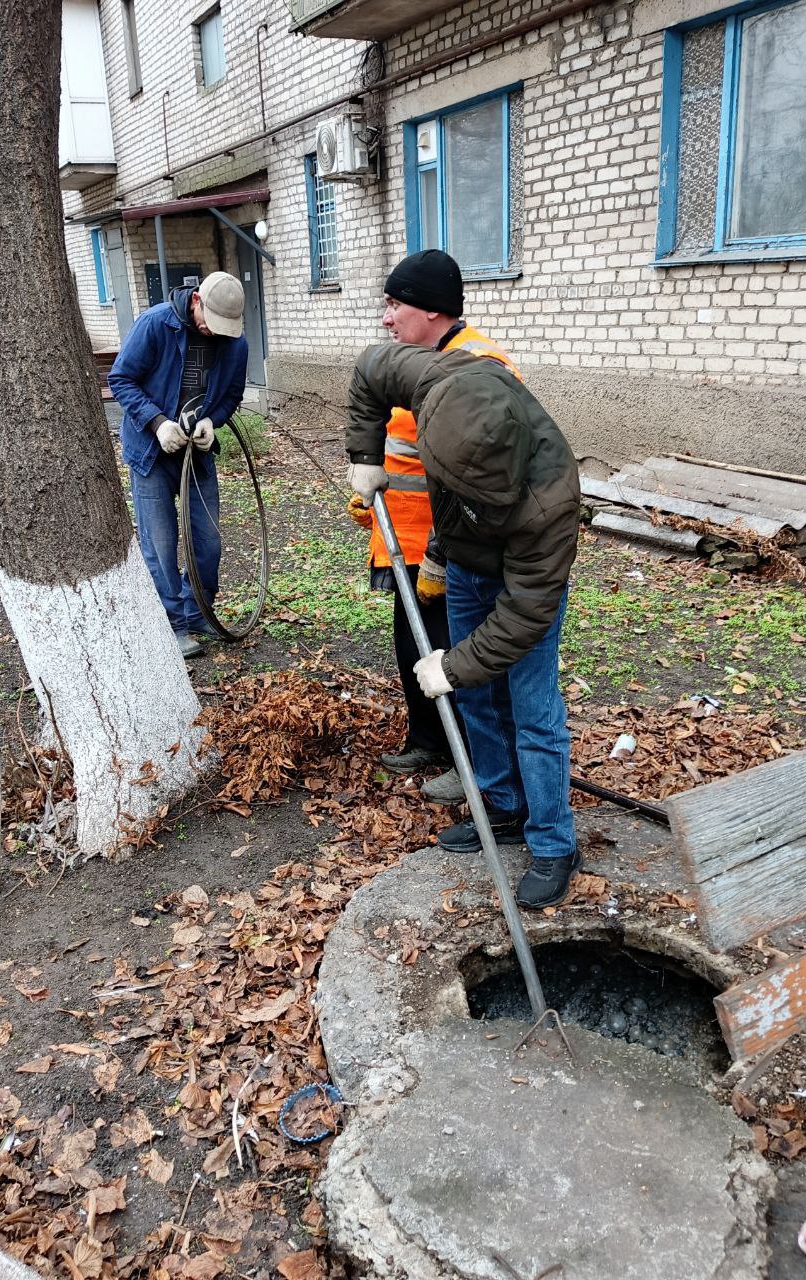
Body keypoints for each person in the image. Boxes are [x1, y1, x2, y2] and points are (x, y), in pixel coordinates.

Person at [346, 342, 582, 909]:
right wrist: (365, 454)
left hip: (515, 583)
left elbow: (524, 616)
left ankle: (554, 842)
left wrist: (452, 665)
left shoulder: (550, 502)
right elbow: (369, 372)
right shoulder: (440, 379)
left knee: (533, 711)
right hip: (465, 570)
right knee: (476, 702)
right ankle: (501, 805)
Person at [347, 250, 519, 804]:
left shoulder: (478, 367)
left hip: (454, 551)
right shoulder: (414, 361)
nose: (386, 317)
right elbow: (400, 450)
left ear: (430, 309)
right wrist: (371, 492)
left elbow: (476, 479)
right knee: (413, 647)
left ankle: (470, 759)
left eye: (394, 303)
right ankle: (428, 739)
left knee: (455, 654)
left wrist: (443, 555)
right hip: (404, 540)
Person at [108, 272, 248, 658]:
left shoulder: (234, 343)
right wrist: (157, 422)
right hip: (152, 453)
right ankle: (173, 623)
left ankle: (198, 609)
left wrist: (211, 420)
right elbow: (121, 379)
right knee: (162, 542)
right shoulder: (155, 325)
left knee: (208, 540)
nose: (213, 333)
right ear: (197, 301)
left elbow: (232, 394)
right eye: (209, 322)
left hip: (195, 454)